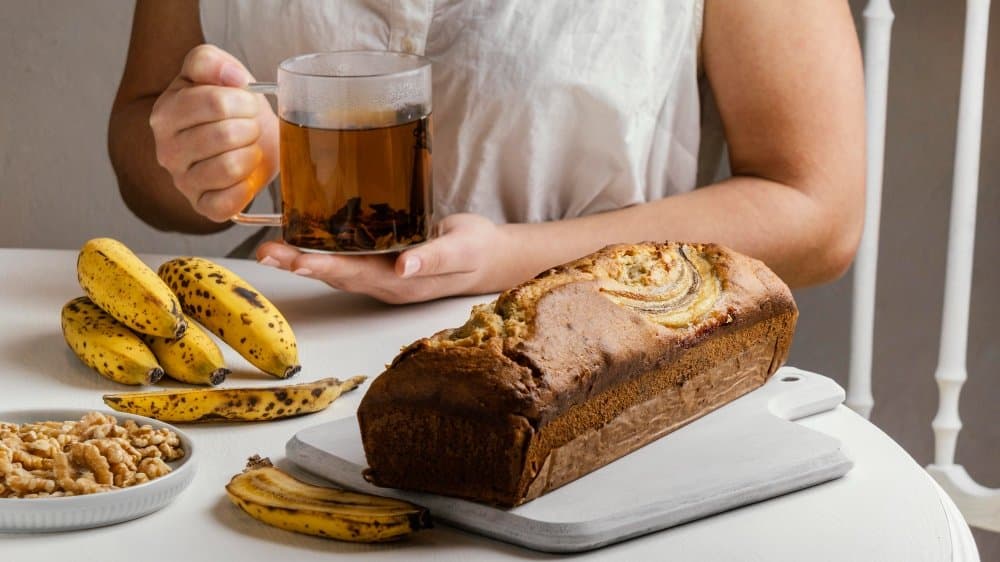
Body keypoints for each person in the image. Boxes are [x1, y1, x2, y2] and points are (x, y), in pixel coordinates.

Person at [109, 0, 864, 304]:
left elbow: (818, 212)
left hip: (601, 356)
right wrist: (215, 158)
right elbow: (140, 149)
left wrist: (512, 258)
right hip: (282, 347)